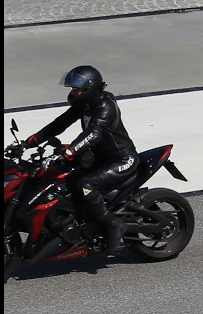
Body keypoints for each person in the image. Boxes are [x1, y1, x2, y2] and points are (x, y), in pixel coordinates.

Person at [24, 66, 135, 259]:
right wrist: (29, 142)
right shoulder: (85, 105)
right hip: (97, 159)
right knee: (60, 179)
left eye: (77, 89)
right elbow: (58, 124)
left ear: (89, 89)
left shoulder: (105, 107)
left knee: (85, 185)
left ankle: (113, 225)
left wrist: (71, 150)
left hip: (122, 160)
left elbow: (93, 133)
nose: (72, 92)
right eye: (72, 88)